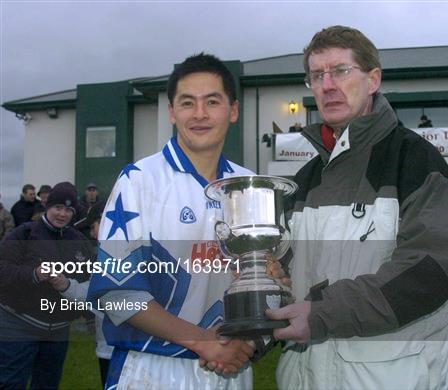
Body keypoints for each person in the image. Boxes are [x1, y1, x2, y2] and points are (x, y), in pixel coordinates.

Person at [265, 26, 448, 390]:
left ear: (373, 79)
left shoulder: (417, 162)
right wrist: (270, 285)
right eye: (316, 75)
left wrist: (323, 313)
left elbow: (428, 273)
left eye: (340, 70)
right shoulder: (304, 179)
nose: (326, 85)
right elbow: (289, 272)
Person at [87, 53, 260, 389]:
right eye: (187, 103)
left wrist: (248, 343)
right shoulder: (138, 181)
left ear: (233, 110)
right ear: (171, 111)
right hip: (151, 370)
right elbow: (116, 292)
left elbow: (267, 285)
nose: (199, 114)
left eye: (212, 101)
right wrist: (203, 341)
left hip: (231, 370)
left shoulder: (249, 185)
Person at [0, 182, 92, 389]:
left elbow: (90, 283)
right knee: (10, 384)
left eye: (68, 209)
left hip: (58, 331)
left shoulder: (79, 241)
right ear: (47, 206)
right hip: (18, 324)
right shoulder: (24, 233)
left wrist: (89, 317)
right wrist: (34, 274)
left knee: (48, 385)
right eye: (57, 207)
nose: (62, 214)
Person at [49, 201, 113, 388]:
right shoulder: (102, 258)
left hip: (136, 347)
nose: (93, 232)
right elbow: (94, 292)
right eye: (94, 227)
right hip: (108, 347)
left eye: (96, 225)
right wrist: (66, 285)